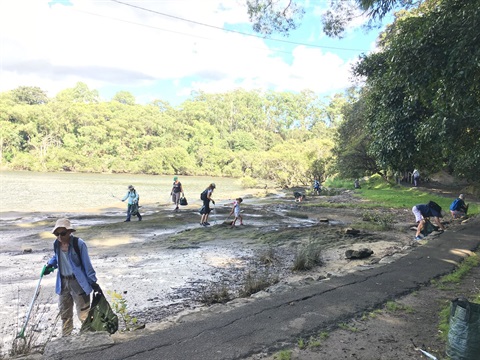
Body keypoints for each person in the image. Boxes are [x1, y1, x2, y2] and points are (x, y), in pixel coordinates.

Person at [43, 218, 100, 336]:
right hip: (63, 282)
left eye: (62, 233)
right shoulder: (56, 244)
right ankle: (66, 337)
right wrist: (49, 265)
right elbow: (57, 257)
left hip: (78, 282)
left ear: (69, 232)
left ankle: (88, 337)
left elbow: (87, 264)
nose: (60, 237)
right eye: (57, 234)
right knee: (65, 313)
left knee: (84, 314)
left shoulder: (79, 244)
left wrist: (93, 282)